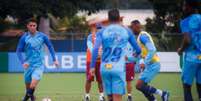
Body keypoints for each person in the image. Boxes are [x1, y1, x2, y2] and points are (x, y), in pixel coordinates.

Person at [90, 9, 141, 101]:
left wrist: (92, 67)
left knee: (110, 98)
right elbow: (138, 49)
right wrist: (134, 56)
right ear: (119, 18)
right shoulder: (126, 31)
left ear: (109, 19)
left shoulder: (102, 31)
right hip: (118, 68)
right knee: (117, 98)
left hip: (105, 68)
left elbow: (95, 49)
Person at [16, 18, 59, 101]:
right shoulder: (24, 37)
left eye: (34, 25)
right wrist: (23, 62)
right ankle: (32, 98)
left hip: (39, 65)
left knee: (32, 86)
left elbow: (50, 46)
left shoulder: (42, 36)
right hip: (28, 66)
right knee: (29, 90)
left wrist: (54, 59)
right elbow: (18, 51)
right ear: (27, 26)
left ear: (36, 26)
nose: (32, 27)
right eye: (31, 25)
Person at [130, 20, 169, 101]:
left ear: (137, 26)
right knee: (142, 87)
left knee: (139, 85)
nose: (131, 29)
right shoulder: (139, 37)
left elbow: (152, 49)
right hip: (150, 64)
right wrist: (134, 57)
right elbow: (142, 52)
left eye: (132, 27)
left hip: (153, 64)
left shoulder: (142, 36)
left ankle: (163, 93)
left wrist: (145, 62)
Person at [177, 1, 201, 101]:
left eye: (185, 6)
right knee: (200, 84)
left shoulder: (185, 21)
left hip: (192, 57)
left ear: (191, 7)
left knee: (186, 85)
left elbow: (187, 40)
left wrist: (181, 49)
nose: (183, 8)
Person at [84, 23, 105, 101]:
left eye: (100, 28)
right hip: (91, 61)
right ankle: (87, 95)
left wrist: (102, 55)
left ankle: (101, 96)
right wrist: (97, 54)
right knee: (89, 79)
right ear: (95, 29)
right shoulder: (90, 37)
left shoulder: (104, 37)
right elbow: (90, 47)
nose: (99, 30)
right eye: (97, 28)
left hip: (100, 61)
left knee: (100, 79)